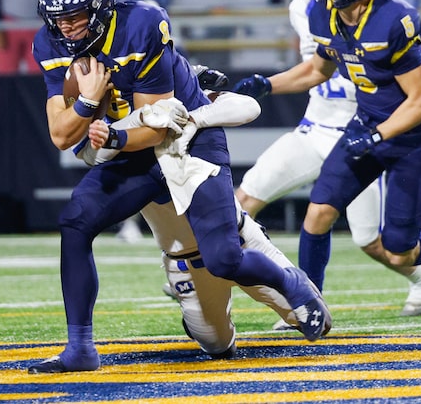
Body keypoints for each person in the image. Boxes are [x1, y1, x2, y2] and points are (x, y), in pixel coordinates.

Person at [28, 0, 331, 374]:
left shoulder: (141, 25)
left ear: (100, 7)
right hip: (131, 153)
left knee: (224, 259)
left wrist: (111, 135)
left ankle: (289, 282)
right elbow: (61, 135)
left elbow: (157, 126)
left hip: (186, 142)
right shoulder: (50, 43)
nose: (65, 28)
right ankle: (80, 348)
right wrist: (87, 102)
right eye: (57, 18)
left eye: (76, 17)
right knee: (75, 222)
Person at [232, 0, 421, 305]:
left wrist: (378, 136)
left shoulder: (392, 20)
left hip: (410, 139)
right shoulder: (321, 14)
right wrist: (267, 84)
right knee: (318, 214)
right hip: (365, 128)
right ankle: (309, 304)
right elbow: (316, 71)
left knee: (398, 252)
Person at [80, 85, 303, 353]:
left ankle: (291, 286)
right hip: (187, 262)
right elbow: (91, 154)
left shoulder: (182, 94)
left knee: (314, 318)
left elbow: (248, 106)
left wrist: (194, 118)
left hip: (239, 240)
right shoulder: (113, 131)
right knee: (217, 346)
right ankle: (196, 314)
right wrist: (131, 127)